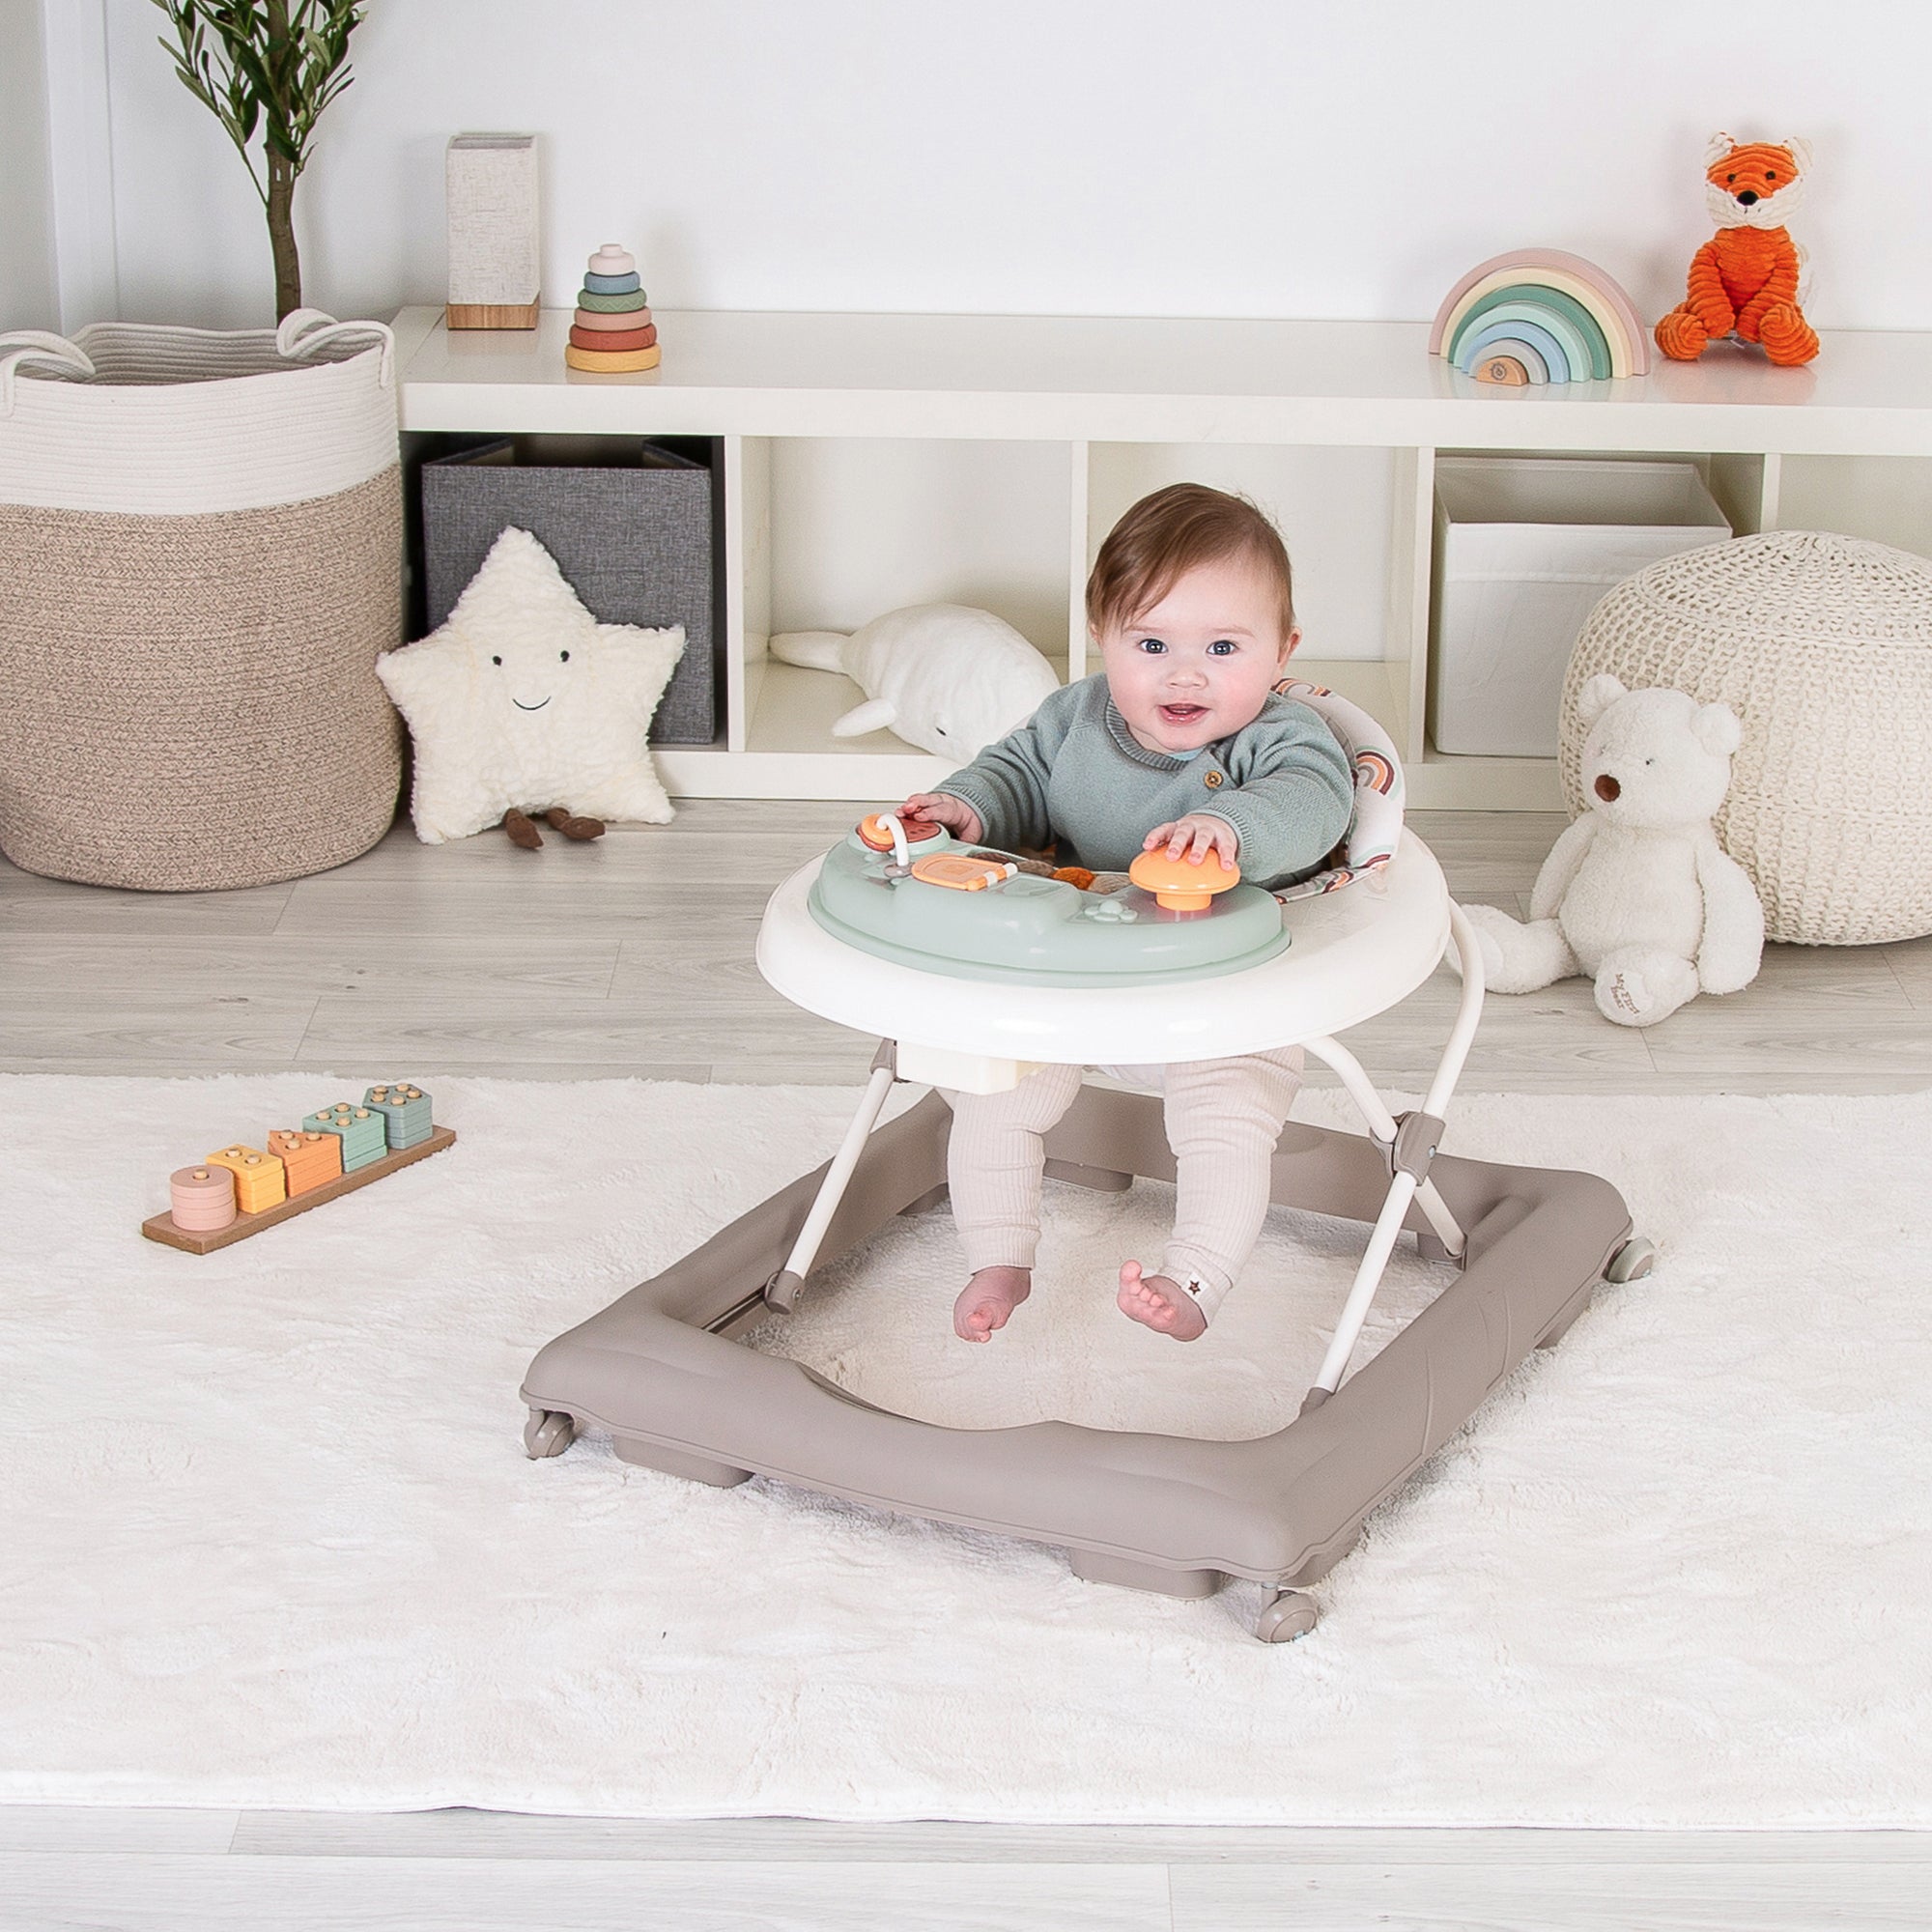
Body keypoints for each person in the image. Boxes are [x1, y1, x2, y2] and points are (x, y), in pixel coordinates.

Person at [900, 482, 1354, 1344]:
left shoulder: (1282, 738)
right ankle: (995, 1254)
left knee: (1229, 1114)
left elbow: (1315, 802)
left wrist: (1228, 825)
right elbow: (1016, 776)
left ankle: (1194, 1278)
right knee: (989, 1088)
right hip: (1071, 977)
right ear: (1102, 638)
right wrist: (966, 807)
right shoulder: (1075, 718)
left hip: (1219, 993)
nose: (1186, 673)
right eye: (1151, 643)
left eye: (1224, 646)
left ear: (1283, 649)